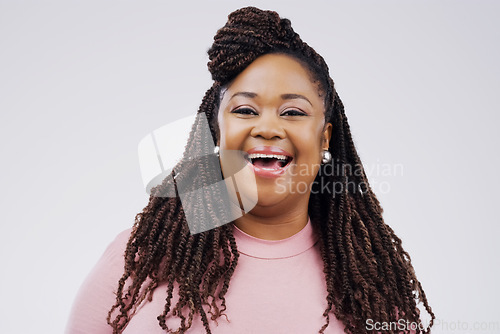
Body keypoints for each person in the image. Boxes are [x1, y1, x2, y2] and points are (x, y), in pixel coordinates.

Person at [66, 6, 434, 334]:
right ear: (217, 129)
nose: (268, 127)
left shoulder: (369, 281)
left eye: (293, 112)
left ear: (325, 139)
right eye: (245, 110)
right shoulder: (141, 253)